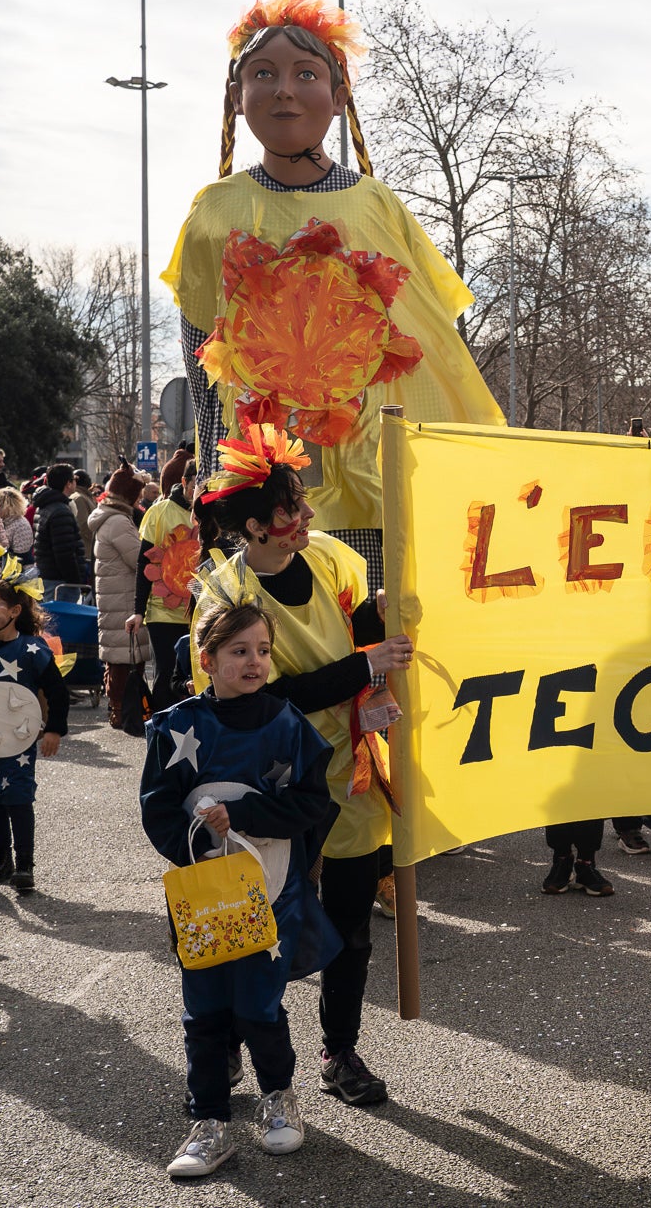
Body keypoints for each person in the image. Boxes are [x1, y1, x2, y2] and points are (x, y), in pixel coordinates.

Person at [164, 0, 502, 568]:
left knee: (370, 608)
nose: (284, 90)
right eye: (263, 73)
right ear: (237, 96)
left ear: (340, 96)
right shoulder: (214, 210)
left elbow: (430, 335)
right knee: (271, 615)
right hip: (260, 482)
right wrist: (215, 463)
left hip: (371, 473)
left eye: (306, 73)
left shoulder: (374, 204)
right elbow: (201, 346)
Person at [189, 427, 414, 1111]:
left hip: (349, 769)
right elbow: (262, 697)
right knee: (253, 920)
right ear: (256, 526)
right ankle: (232, 1038)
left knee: (349, 925)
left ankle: (340, 1050)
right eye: (291, 508)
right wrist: (363, 667)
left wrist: (377, 622)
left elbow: (361, 635)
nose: (308, 515)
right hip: (267, 781)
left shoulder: (333, 559)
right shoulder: (226, 595)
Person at [141, 601, 340, 1178]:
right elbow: (156, 806)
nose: (254, 661)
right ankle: (209, 1121)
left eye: (263, 650)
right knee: (203, 1010)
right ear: (206, 660)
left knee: (258, 1005)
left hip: (270, 895)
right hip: (203, 894)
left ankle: (278, 1097)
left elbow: (313, 803)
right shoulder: (176, 726)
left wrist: (247, 814)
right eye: (239, 651)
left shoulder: (289, 725)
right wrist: (197, 844)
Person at [0, 574, 67, 891]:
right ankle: (2, 862)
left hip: (18, 742)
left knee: (18, 797)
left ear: (14, 611)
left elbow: (57, 692)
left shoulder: (32, 649)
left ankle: (25, 865)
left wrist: (54, 730)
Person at [135, 449, 200, 712]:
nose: (198, 493)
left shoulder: (210, 512)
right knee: (166, 676)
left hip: (200, 611)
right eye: (195, 486)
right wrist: (138, 610)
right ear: (184, 482)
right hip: (163, 612)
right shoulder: (159, 512)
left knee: (196, 679)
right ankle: (162, 728)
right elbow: (144, 564)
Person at [90, 465, 147, 728]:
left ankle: (118, 709)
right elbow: (139, 560)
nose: (140, 500)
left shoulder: (109, 517)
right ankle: (122, 711)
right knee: (124, 660)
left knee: (117, 660)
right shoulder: (119, 522)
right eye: (138, 495)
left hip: (114, 597)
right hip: (123, 599)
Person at [31, 464, 91, 596]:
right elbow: (64, 552)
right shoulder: (61, 511)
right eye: (74, 479)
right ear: (68, 483)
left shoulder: (44, 505)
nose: (75, 483)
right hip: (60, 581)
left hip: (47, 575)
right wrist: (75, 580)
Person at [0, 486, 35, 565]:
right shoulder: (0, 521)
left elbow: (21, 555)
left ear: (5, 507)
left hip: (20, 568)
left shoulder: (20, 524)